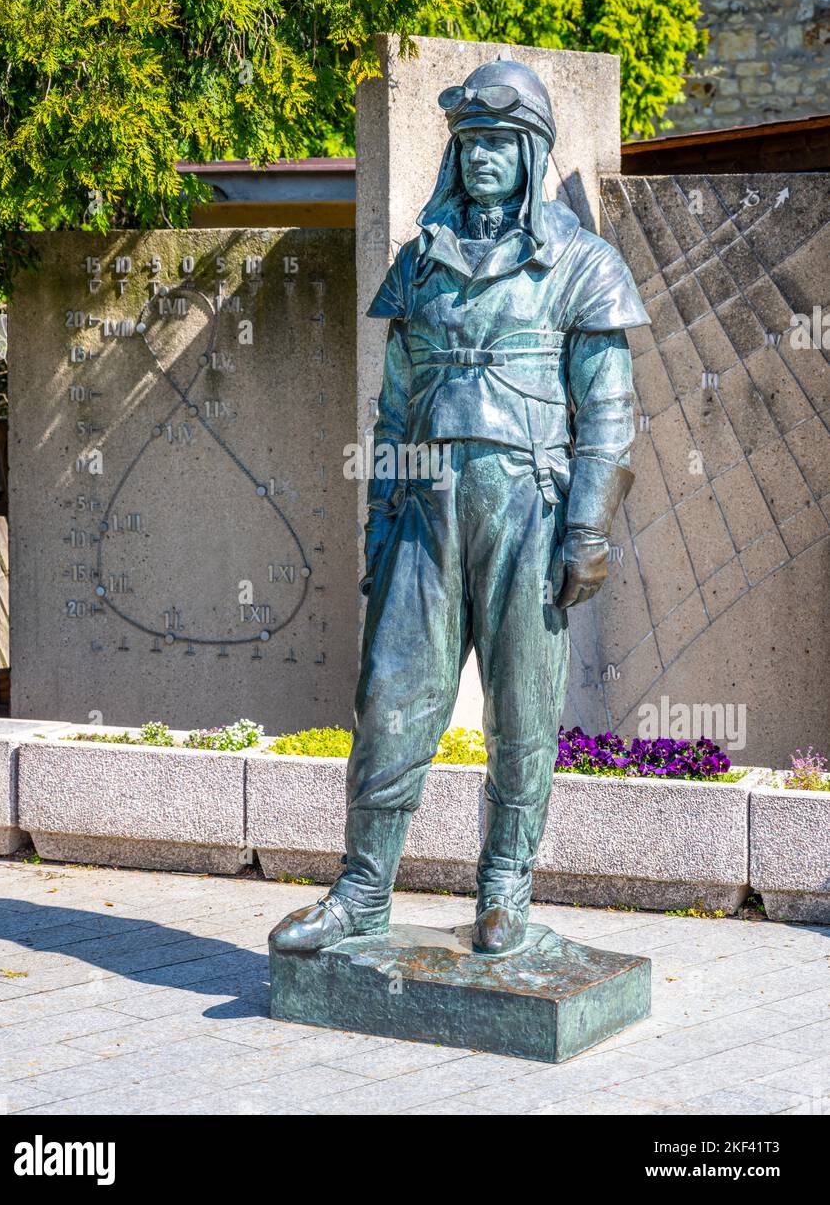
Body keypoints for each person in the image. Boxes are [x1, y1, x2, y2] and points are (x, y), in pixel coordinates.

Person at [271, 58, 650, 956]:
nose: (482, 159)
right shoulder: (420, 264)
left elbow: (608, 410)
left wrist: (588, 527)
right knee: (391, 701)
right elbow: (394, 406)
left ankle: (506, 887)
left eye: (498, 144)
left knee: (523, 707)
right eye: (469, 144)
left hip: (529, 508)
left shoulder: (582, 265)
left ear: (530, 152)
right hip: (424, 517)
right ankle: (363, 892)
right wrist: (378, 522)